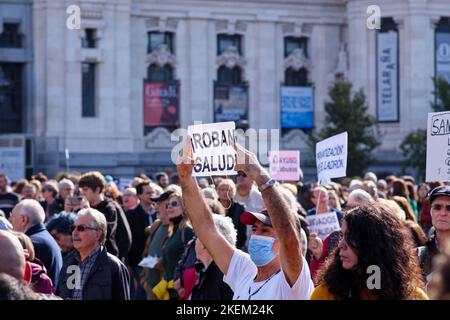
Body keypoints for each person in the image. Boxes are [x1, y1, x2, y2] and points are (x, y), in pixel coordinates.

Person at [177, 140, 314, 300]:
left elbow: (289, 238)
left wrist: (258, 174)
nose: (256, 236)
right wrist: (186, 178)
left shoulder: (293, 281)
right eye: (254, 229)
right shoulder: (245, 269)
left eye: (265, 230)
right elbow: (206, 228)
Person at [310, 202, 427, 300]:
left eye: (351, 237)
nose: (341, 244)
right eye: (342, 235)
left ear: (374, 243)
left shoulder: (414, 296)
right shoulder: (325, 294)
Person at [56, 208, 130, 300]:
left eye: (81, 228)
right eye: (73, 228)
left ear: (97, 234)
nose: (74, 233)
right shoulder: (69, 262)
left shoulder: (113, 266)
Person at [78, 171, 132, 263]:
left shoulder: (110, 208)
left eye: (86, 189)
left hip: (107, 261)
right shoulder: (87, 206)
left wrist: (87, 212)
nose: (83, 193)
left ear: (98, 190)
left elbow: (102, 235)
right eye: (82, 190)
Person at [9, 199, 63, 288]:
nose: (10, 220)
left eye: (12, 216)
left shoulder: (33, 243)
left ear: (24, 220)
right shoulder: (44, 238)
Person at [152, 191, 194, 300]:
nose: (169, 207)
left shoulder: (187, 230)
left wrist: (183, 284)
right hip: (171, 290)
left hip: (181, 291)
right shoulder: (175, 230)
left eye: (174, 204)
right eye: (168, 205)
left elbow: (193, 261)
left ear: (184, 207)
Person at [126, 181, 162, 299]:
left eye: (153, 192)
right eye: (148, 193)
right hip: (139, 261)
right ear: (139, 196)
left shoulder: (160, 214)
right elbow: (128, 241)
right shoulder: (131, 215)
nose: (152, 195)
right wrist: (129, 264)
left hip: (158, 261)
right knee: (141, 292)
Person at [190, 214, 235, 300]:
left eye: (197, 237)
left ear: (206, 241)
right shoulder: (208, 272)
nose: (195, 241)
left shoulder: (223, 277)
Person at [140, 190, 173, 300]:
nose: (156, 207)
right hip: (151, 288)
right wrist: (144, 279)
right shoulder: (156, 226)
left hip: (166, 289)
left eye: (160, 203)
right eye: (156, 203)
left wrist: (159, 264)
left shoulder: (178, 229)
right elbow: (146, 253)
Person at [418, 185, 450, 282]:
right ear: (431, 211)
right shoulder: (417, 256)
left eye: (449, 208)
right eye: (437, 207)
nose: (443, 213)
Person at [217, 179, 247, 250]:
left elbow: (242, 233)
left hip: (234, 247)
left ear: (233, 192)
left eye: (228, 190)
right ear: (218, 191)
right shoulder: (212, 206)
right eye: (222, 189)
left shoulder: (239, 208)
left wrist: (234, 248)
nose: (225, 192)